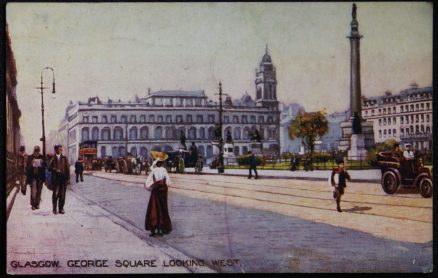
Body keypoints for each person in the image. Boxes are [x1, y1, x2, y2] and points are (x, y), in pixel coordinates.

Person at [144, 155, 172, 237]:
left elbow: (148, 181)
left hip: (155, 190)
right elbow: (168, 182)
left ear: (156, 164)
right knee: (163, 209)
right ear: (162, 164)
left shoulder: (154, 170)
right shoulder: (164, 170)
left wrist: (149, 187)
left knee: (154, 208)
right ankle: (162, 229)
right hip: (163, 191)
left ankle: (154, 229)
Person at [49, 145, 70, 214]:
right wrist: (55, 169)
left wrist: (68, 178)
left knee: (62, 195)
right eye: (59, 149)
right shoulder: (53, 158)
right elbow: (49, 167)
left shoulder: (64, 158)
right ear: (56, 150)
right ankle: (54, 208)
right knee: (55, 194)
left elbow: (67, 169)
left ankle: (61, 209)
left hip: (63, 179)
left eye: (61, 149)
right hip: (56, 179)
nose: (61, 150)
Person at [25, 146, 45, 210]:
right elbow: (27, 168)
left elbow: (45, 166)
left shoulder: (42, 157)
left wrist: (42, 163)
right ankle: (33, 204)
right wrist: (31, 163)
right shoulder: (30, 157)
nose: (36, 152)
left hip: (40, 176)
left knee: (39, 191)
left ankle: (37, 204)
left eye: (38, 151)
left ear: (39, 151)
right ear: (34, 151)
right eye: (35, 151)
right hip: (33, 176)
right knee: (33, 191)